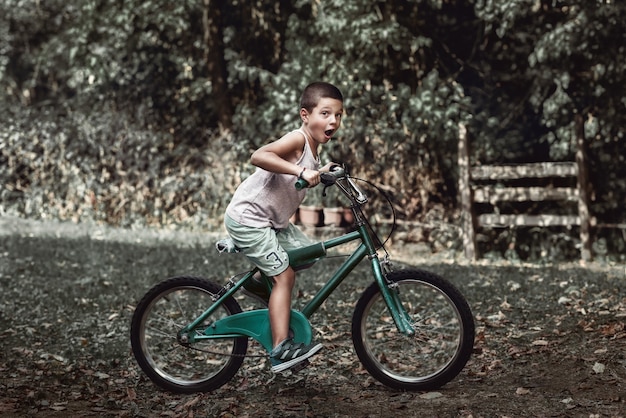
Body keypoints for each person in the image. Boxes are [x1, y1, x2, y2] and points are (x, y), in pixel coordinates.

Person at [224, 81, 344, 372]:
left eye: (339, 115)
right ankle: (281, 348)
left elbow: (304, 174)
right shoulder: (298, 139)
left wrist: (321, 171)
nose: (333, 121)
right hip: (249, 219)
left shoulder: (313, 149)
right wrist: (301, 170)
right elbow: (260, 156)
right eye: (325, 113)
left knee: (308, 251)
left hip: (271, 223)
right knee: (285, 276)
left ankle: (256, 282)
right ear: (305, 115)